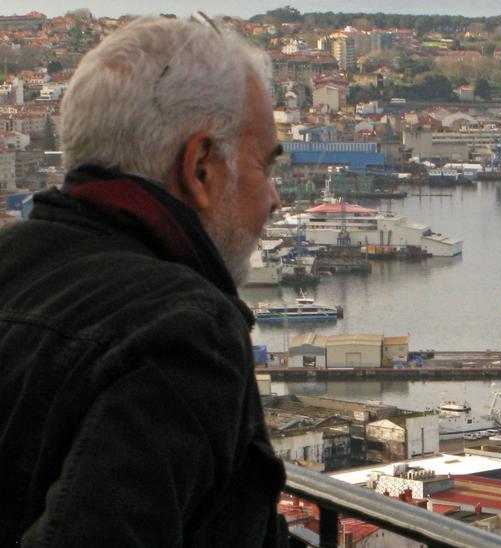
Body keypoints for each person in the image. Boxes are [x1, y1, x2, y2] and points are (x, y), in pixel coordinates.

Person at [0, 16, 286, 545]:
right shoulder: (186, 331)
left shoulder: (13, 260)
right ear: (201, 167)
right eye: (265, 167)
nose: (275, 200)